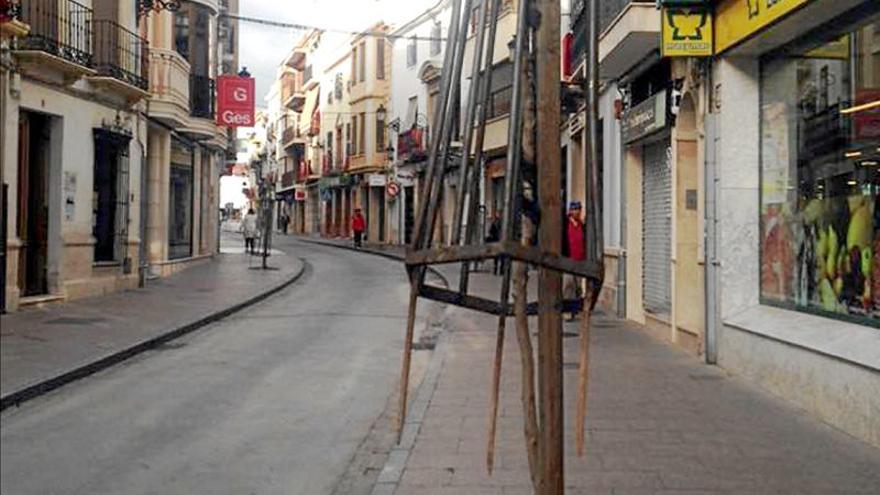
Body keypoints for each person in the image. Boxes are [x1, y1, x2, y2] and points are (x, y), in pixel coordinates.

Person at [563, 201, 586, 320]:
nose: (577, 212)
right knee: (568, 285)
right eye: (575, 209)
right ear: (571, 211)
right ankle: (567, 311)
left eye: (579, 209)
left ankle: (575, 308)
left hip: (580, 260)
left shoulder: (582, 224)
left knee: (577, 286)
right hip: (568, 259)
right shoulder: (565, 224)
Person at [486, 211, 502, 275]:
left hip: (498, 240)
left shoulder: (498, 223)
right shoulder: (496, 223)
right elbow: (491, 231)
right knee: (497, 256)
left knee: (499, 256)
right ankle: (498, 270)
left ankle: (499, 270)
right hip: (497, 240)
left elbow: (490, 231)